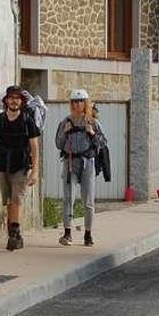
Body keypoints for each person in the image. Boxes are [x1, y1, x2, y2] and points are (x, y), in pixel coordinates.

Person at [0, 85, 41, 251]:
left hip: (21, 166)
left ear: (21, 101)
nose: (14, 101)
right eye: (11, 98)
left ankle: (14, 234)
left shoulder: (27, 121)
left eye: (17, 98)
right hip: (3, 165)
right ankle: (14, 232)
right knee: (8, 201)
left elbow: (34, 147)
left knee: (17, 198)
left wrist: (35, 171)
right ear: (6, 101)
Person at [55, 89, 107, 247]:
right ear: (71, 104)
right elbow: (58, 143)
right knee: (68, 198)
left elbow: (103, 142)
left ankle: (88, 234)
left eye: (81, 101)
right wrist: (65, 133)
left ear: (86, 103)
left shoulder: (92, 122)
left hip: (87, 163)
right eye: (75, 102)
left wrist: (92, 134)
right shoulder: (66, 122)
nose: (78, 104)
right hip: (70, 162)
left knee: (88, 200)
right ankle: (67, 232)